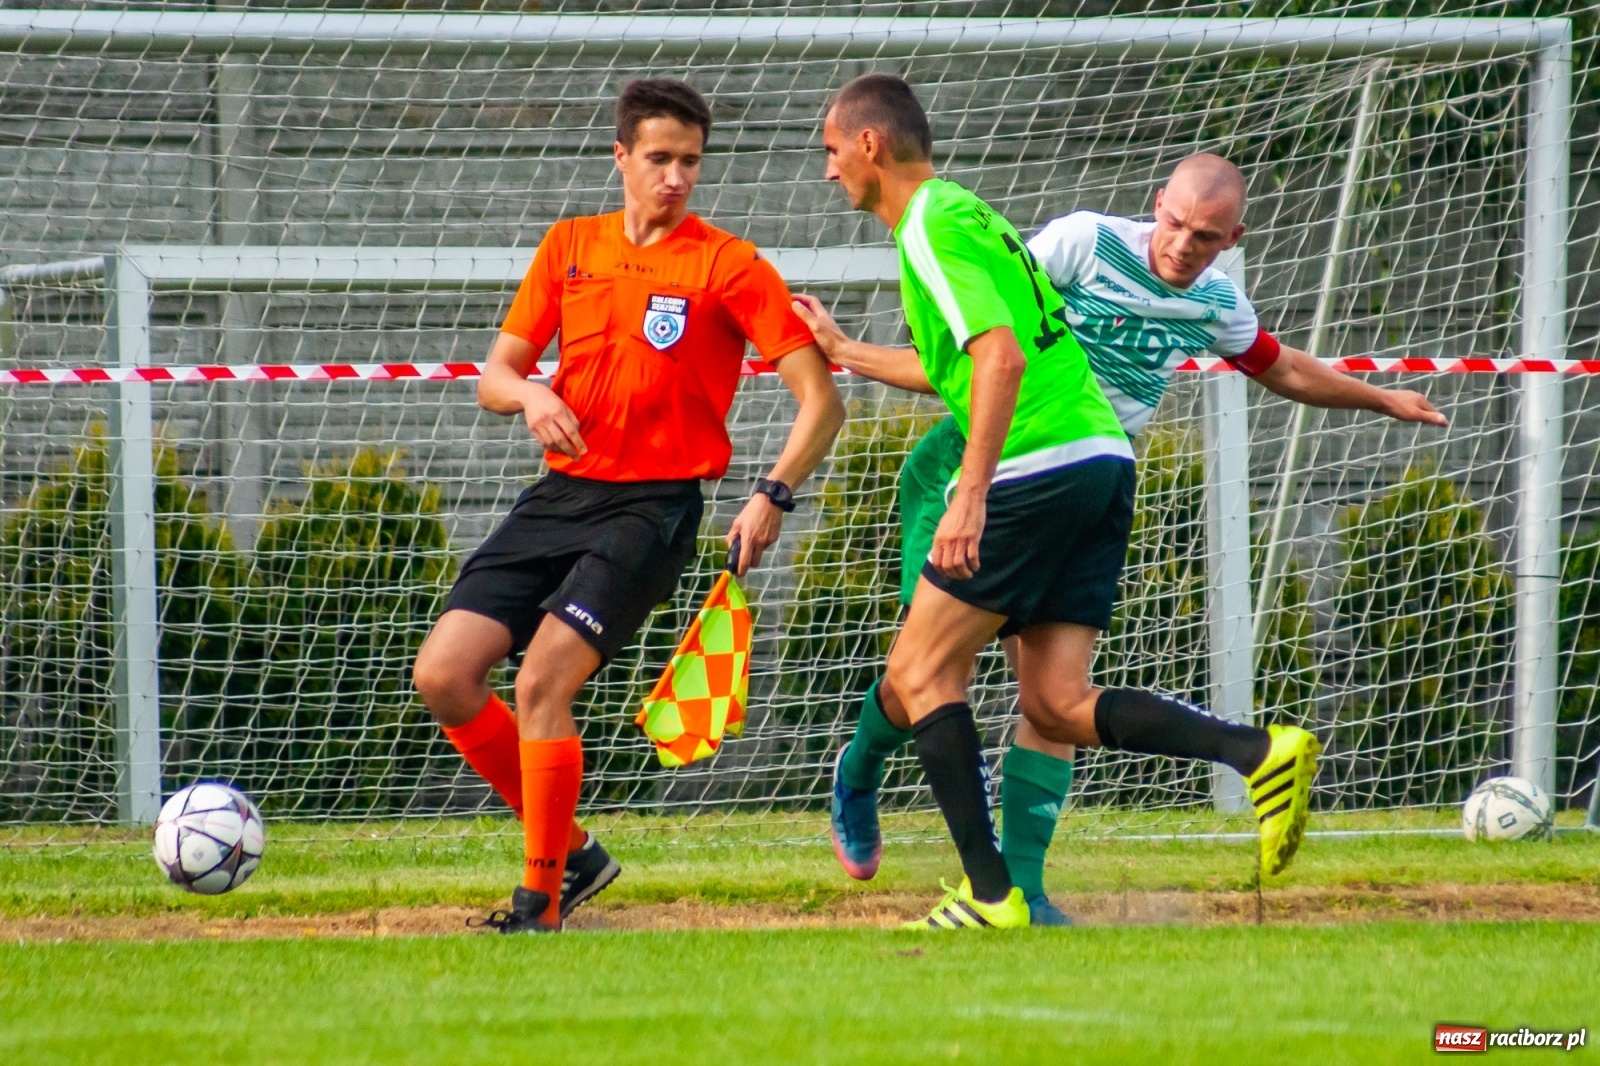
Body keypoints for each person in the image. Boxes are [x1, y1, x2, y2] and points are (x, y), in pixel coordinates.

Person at [806, 150, 1449, 926]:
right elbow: (983, 356)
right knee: (930, 668)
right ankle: (864, 773)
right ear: (1156, 205)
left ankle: (1020, 893)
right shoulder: (1081, 243)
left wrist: (1381, 399)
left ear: (1232, 239)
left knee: (1046, 704)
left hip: (1082, 480)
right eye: (1175, 224)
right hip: (986, 459)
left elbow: (1283, 369)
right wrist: (850, 356)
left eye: (1206, 237)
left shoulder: (1216, 301)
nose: (1183, 245)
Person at [413, 79, 844, 934]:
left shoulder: (731, 266)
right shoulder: (570, 246)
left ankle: (539, 903)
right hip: (561, 492)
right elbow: (495, 374)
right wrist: (531, 397)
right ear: (621, 157)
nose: (676, 177)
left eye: (690, 161)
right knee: (445, 676)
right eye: (659, 158)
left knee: (541, 680)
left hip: (652, 507)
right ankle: (574, 850)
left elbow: (822, 402)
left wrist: (772, 495)